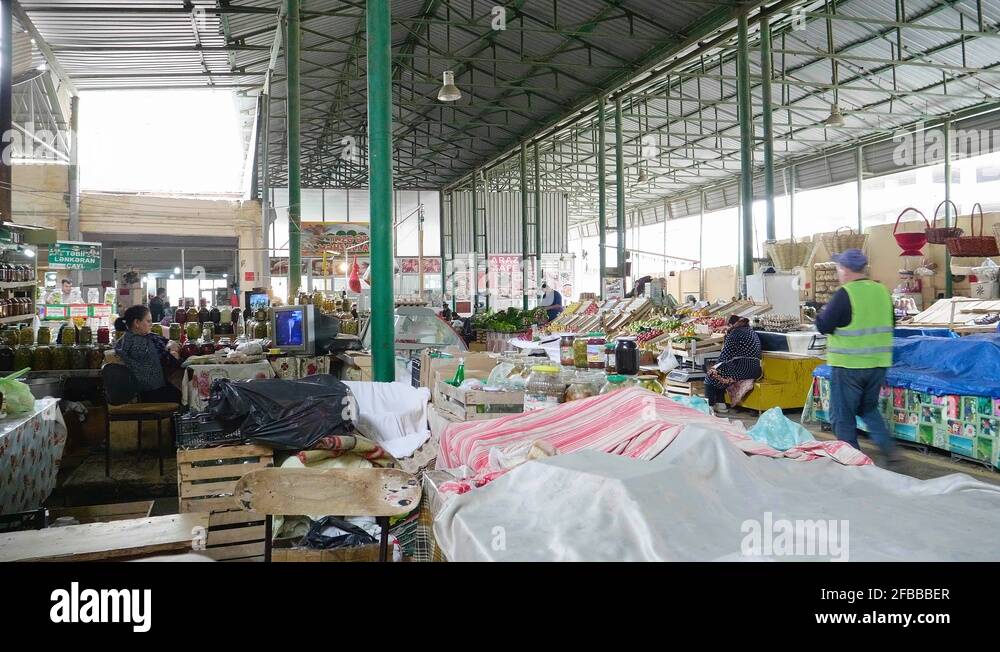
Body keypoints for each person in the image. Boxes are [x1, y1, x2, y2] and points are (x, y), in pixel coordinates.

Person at [815, 248, 899, 467]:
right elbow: (891, 323)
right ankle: (888, 449)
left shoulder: (846, 294)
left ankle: (852, 462)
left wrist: (819, 313)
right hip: (879, 365)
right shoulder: (882, 291)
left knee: (842, 416)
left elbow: (824, 326)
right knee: (868, 408)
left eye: (838, 268)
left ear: (844, 270)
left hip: (849, 366)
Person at [114, 305, 182, 404]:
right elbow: (169, 360)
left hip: (139, 390)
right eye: (148, 321)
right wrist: (172, 351)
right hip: (151, 391)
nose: (151, 324)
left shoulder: (125, 339)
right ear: (137, 323)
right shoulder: (142, 343)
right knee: (181, 392)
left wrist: (169, 346)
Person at [704, 315, 762, 412]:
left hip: (743, 367)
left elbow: (725, 356)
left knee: (711, 375)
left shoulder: (735, 334)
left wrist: (715, 366)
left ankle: (709, 406)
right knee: (721, 373)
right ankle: (720, 404)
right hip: (756, 368)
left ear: (731, 325)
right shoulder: (751, 331)